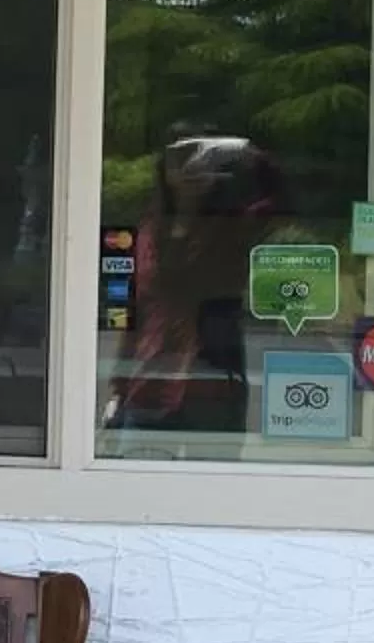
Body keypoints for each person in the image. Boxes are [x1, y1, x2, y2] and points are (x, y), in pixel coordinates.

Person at [112, 131, 287, 436]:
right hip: (149, 383)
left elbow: (283, 202)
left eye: (201, 157)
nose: (191, 167)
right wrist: (118, 386)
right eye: (180, 159)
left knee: (214, 478)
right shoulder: (150, 230)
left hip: (212, 379)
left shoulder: (231, 227)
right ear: (164, 169)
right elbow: (135, 310)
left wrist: (248, 153)